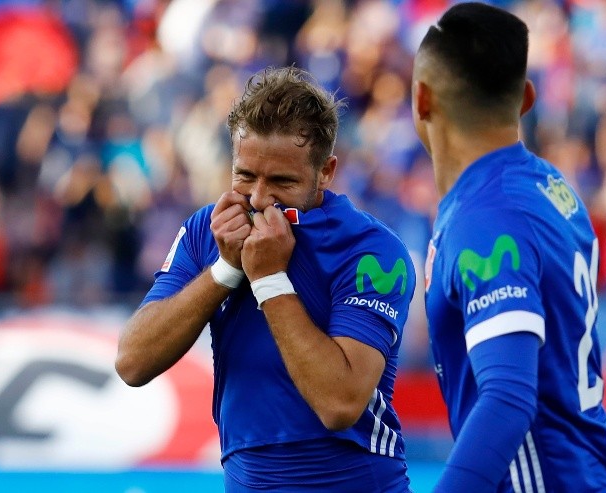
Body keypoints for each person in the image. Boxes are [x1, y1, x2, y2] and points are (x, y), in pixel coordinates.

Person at [116, 66, 415, 492]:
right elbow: (132, 362)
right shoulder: (208, 230)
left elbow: (340, 403)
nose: (258, 198)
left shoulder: (372, 250)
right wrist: (225, 270)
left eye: (281, 181)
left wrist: (270, 280)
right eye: (245, 175)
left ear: (326, 171)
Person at [411, 3, 606, 492]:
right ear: (526, 97)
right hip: (600, 472)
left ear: (422, 99)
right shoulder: (550, 187)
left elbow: (507, 399)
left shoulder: (487, 219)